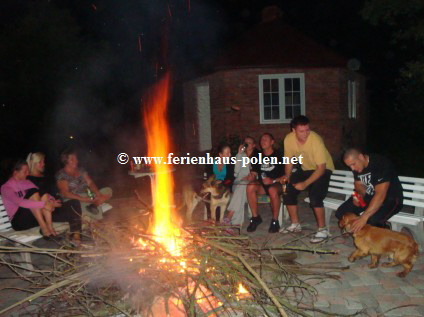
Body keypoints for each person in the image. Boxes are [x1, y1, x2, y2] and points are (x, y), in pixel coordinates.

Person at [280, 115, 334, 243]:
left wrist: (305, 183)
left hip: (323, 169)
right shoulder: (288, 139)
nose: (306, 133)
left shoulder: (315, 140)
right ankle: (295, 224)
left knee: (315, 196)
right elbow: (288, 160)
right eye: (302, 131)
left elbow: (321, 168)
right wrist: (287, 176)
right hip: (306, 169)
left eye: (307, 130)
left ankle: (322, 229)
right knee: (287, 189)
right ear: (294, 130)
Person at [0, 160, 80, 243]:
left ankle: (67, 235)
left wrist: (51, 201)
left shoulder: (27, 182)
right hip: (19, 221)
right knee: (33, 192)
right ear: (15, 172)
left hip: (35, 216)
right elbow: (19, 202)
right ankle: (45, 229)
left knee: (73, 203)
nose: (28, 173)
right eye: (25, 171)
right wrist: (44, 204)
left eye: (28, 171)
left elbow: (43, 194)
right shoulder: (6, 188)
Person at [335, 148, 403, 232]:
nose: (352, 169)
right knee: (341, 213)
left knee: (372, 220)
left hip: (390, 199)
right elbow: (359, 185)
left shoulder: (380, 163)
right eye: (349, 166)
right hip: (369, 197)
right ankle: (359, 231)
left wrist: (364, 217)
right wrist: (359, 195)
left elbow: (380, 194)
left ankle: (383, 231)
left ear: (361, 157)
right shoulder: (357, 167)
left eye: (353, 164)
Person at [27, 152, 83, 244]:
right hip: (46, 211)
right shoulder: (29, 179)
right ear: (33, 163)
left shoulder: (45, 176)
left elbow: (54, 191)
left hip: (56, 207)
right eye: (40, 162)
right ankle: (72, 238)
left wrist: (57, 199)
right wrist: (52, 203)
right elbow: (35, 198)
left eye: (43, 161)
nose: (43, 164)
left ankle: (76, 236)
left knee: (74, 203)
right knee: (73, 212)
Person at [56, 149, 112, 221]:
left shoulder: (81, 170)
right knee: (90, 217)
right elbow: (65, 193)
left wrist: (98, 194)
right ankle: (97, 205)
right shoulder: (61, 174)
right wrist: (84, 199)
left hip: (87, 195)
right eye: (72, 159)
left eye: (75, 158)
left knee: (108, 190)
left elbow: (90, 182)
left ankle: (94, 205)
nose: (76, 161)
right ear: (65, 161)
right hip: (74, 200)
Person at [246, 133, 284, 233]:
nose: (262, 141)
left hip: (277, 184)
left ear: (272, 142)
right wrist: (252, 176)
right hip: (262, 185)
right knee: (250, 186)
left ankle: (275, 221)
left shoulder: (279, 155)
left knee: (272, 189)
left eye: (266, 140)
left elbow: (286, 176)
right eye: (261, 139)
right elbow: (254, 171)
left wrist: (273, 181)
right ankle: (255, 217)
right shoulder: (258, 156)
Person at [224, 137, 258, 226]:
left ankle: (229, 217)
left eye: (249, 143)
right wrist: (239, 154)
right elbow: (236, 172)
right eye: (245, 142)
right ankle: (235, 224)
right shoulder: (240, 155)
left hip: (252, 184)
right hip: (239, 182)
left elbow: (258, 170)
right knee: (242, 186)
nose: (246, 144)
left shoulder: (257, 155)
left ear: (254, 145)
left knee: (242, 187)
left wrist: (253, 175)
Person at [204, 144, 235, 221]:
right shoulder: (211, 162)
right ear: (220, 154)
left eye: (230, 152)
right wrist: (214, 183)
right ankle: (209, 215)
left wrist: (222, 183)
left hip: (224, 185)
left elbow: (231, 178)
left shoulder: (230, 163)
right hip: (213, 185)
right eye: (227, 153)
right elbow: (208, 177)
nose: (230, 155)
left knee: (218, 216)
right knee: (209, 197)